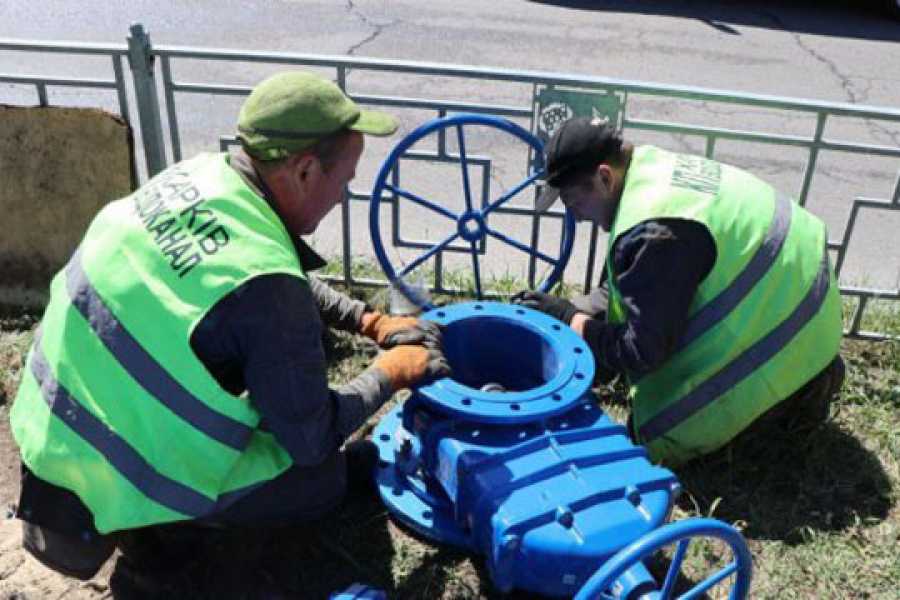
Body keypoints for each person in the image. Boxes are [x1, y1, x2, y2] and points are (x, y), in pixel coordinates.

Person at [9, 71, 450, 580]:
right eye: (344, 181)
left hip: (52, 425)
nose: (342, 197)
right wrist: (392, 373)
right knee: (322, 479)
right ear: (306, 170)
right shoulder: (267, 290)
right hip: (117, 476)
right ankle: (167, 532)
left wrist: (367, 320)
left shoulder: (202, 176)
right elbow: (310, 436)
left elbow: (251, 270)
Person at [514, 116, 844, 466]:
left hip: (789, 352)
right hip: (808, 312)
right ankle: (809, 383)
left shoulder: (656, 231)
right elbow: (640, 286)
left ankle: (791, 405)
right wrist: (573, 314)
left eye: (573, 202)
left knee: (656, 432)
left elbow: (642, 351)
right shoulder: (650, 170)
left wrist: (572, 319)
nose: (576, 216)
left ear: (604, 178)